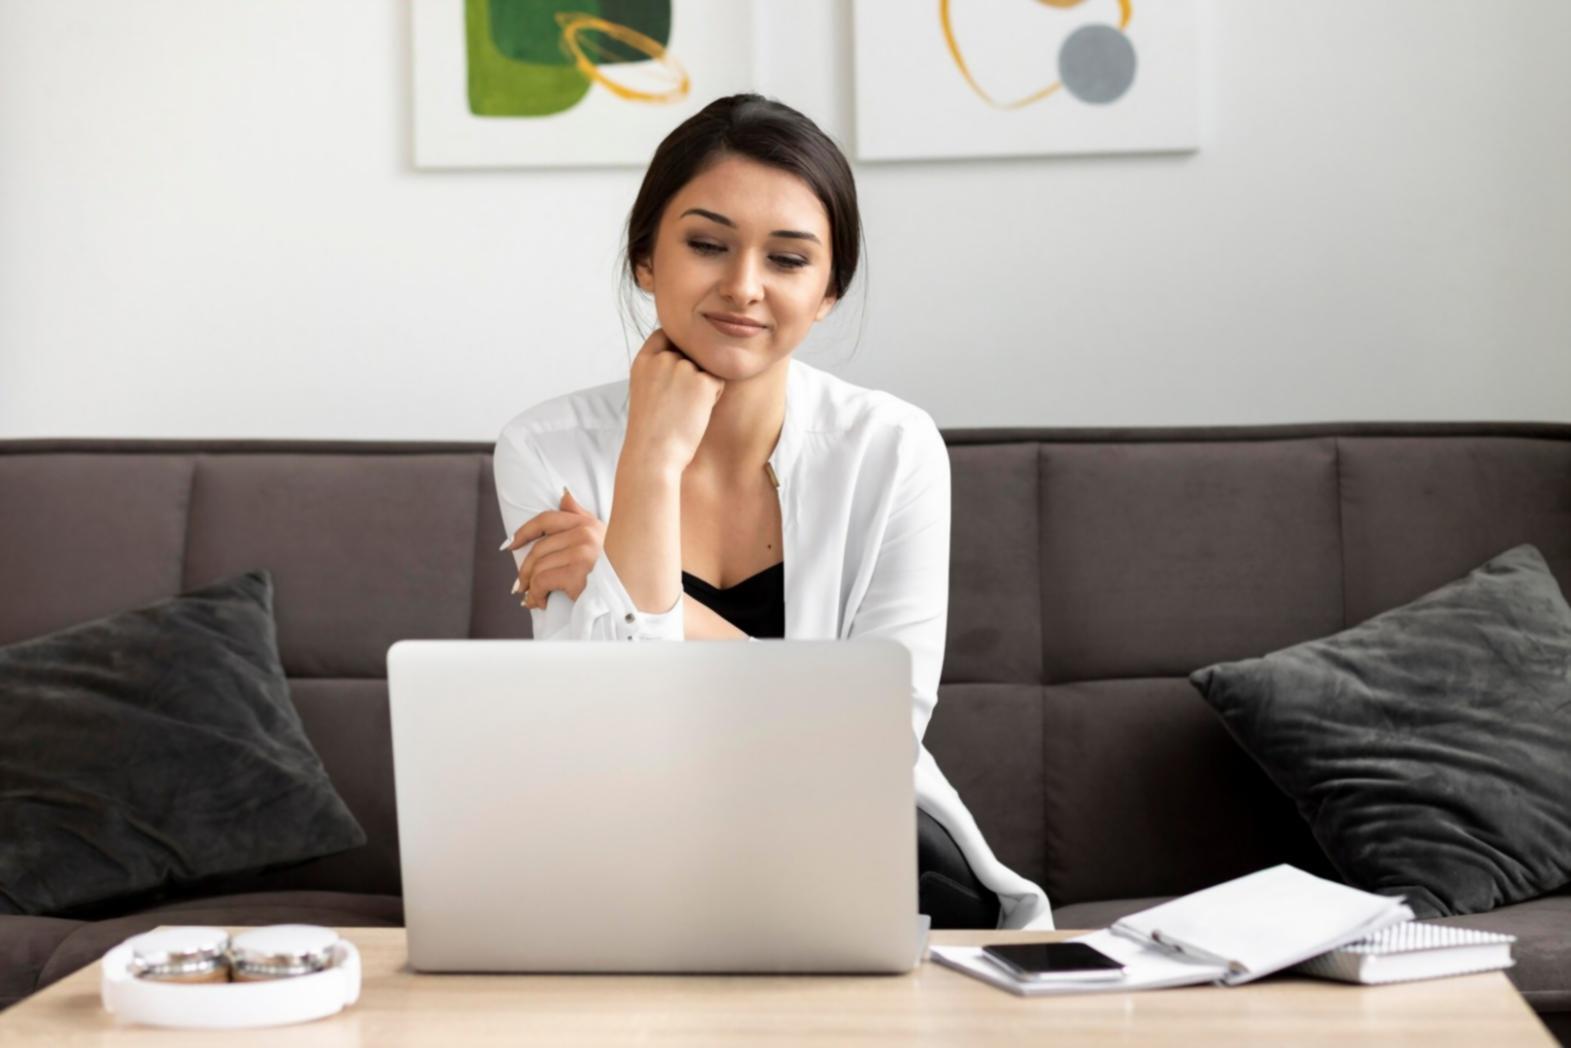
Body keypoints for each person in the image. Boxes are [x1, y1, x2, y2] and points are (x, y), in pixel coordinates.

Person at [492, 93, 1053, 930]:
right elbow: (604, 729)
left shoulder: (892, 447)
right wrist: (651, 457)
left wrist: (654, 600)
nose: (743, 287)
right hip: (635, 832)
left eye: (787, 260)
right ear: (645, 258)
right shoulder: (547, 447)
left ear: (827, 291)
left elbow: (871, 732)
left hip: (845, 831)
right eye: (706, 245)